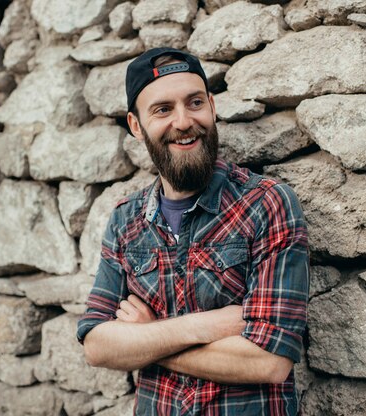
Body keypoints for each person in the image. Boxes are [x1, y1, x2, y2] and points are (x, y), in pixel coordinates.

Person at [77, 47, 309, 415]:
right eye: (163, 109)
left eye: (195, 102)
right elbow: (97, 346)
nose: (184, 122)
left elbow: (270, 362)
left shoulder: (266, 204)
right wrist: (201, 327)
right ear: (136, 126)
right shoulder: (125, 220)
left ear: (212, 107)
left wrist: (147, 336)